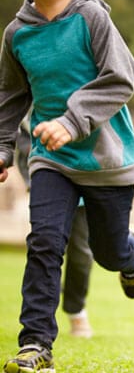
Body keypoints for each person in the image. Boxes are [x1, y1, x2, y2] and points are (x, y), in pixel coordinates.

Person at [0, 0, 134, 373]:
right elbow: (11, 97)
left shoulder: (91, 18)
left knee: (107, 252)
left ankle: (132, 256)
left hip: (107, 159)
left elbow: (122, 76)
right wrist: (4, 147)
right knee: (45, 242)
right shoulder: (16, 34)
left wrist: (72, 119)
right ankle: (35, 344)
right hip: (52, 159)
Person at [16, 122, 94, 339]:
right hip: (47, 177)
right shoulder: (32, 103)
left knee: (81, 253)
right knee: (45, 245)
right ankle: (38, 332)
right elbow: (21, 133)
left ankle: (76, 309)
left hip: (85, 175)